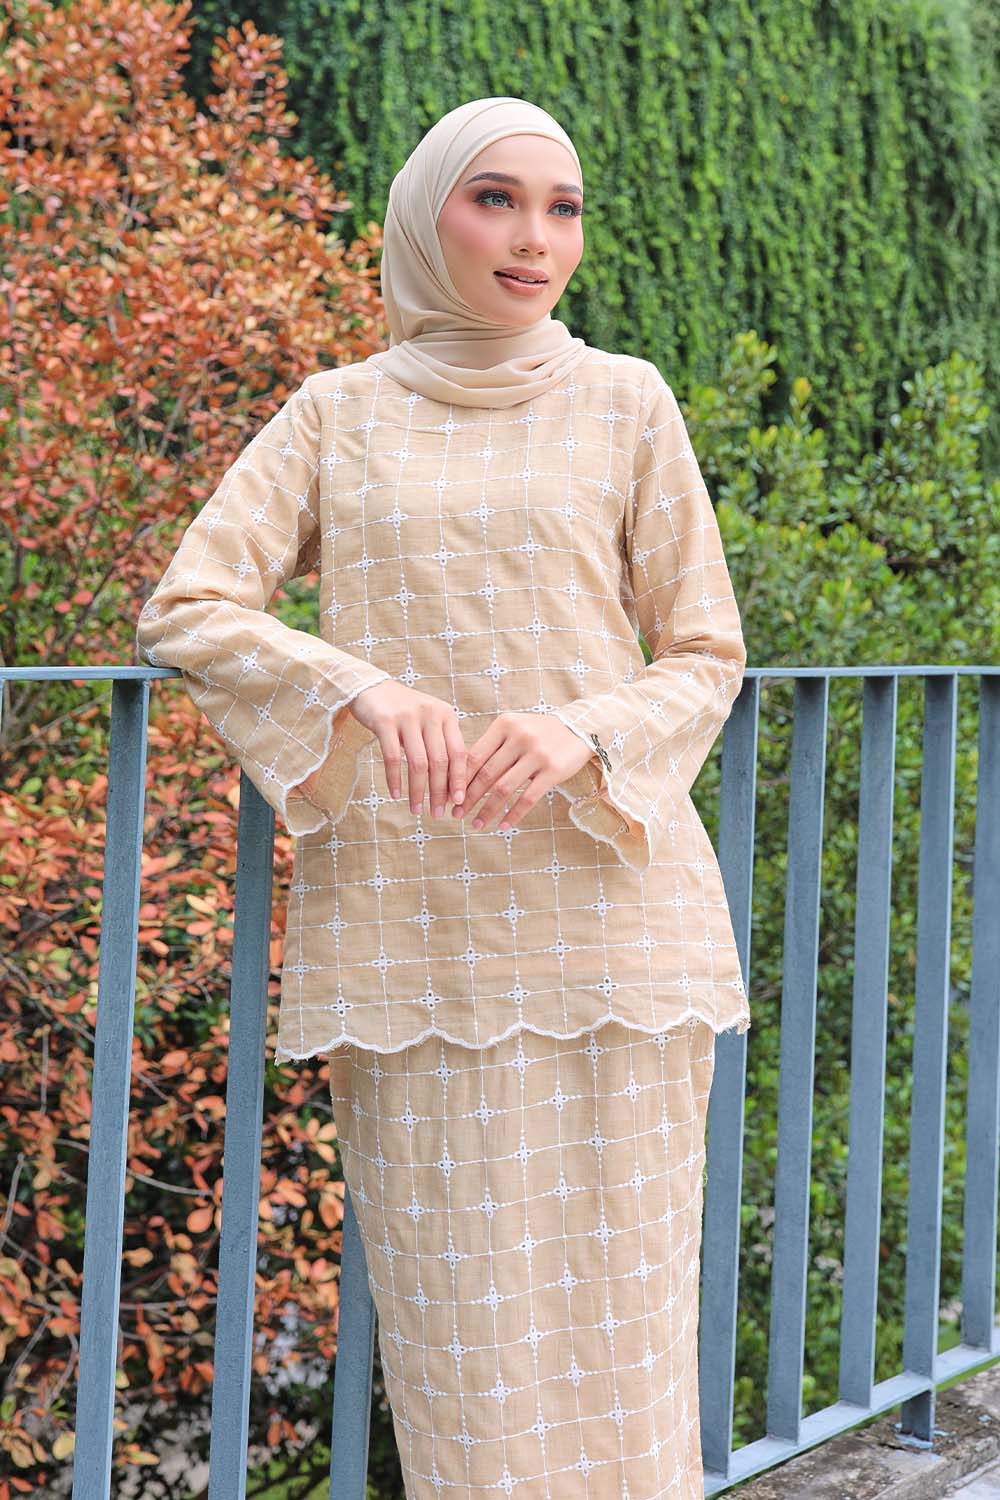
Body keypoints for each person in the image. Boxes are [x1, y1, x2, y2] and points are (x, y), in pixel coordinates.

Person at [135, 94, 749, 1499]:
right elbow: (191, 604)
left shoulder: (626, 400)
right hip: (416, 939)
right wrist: (355, 687)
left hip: (615, 928)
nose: (535, 238)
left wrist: (583, 728)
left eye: (562, 207)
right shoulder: (335, 416)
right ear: (426, 220)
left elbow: (705, 651)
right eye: (496, 199)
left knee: (628, 1349)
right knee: (465, 1362)